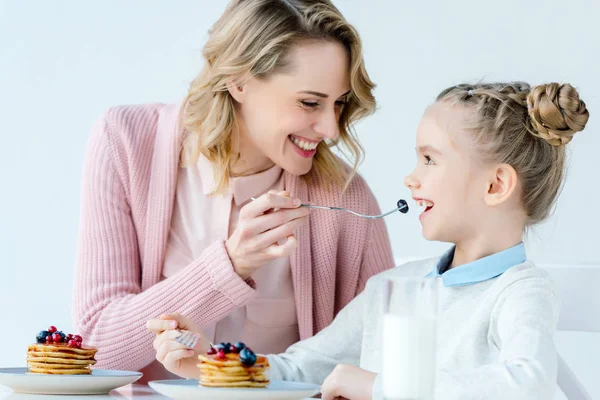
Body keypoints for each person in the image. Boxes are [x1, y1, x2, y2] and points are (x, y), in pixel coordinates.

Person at [149, 82, 589, 399]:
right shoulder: (394, 289)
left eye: (429, 159)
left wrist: (380, 388)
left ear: (495, 185)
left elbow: (526, 387)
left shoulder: (518, 292)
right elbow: (303, 367)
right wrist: (217, 363)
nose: (411, 178)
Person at [73, 0, 396, 381]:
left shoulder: (345, 197)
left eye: (339, 103)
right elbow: (94, 350)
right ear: (239, 81)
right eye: (310, 102)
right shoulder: (126, 143)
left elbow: (385, 357)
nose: (330, 129)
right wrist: (230, 265)